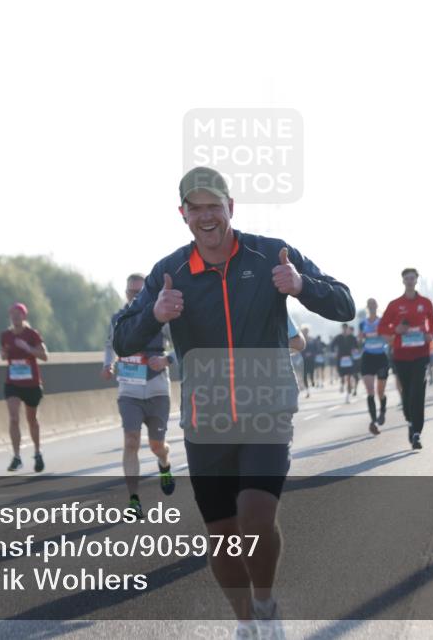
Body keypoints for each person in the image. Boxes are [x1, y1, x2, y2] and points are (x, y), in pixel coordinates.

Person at [112, 166, 354, 638]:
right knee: (223, 537)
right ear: (182, 214)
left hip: (267, 409)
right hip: (207, 421)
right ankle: (245, 623)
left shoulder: (269, 255)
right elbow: (122, 338)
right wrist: (153, 316)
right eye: (195, 208)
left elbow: (343, 303)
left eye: (214, 206)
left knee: (256, 517)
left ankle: (265, 606)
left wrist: (302, 286)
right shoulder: (170, 272)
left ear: (231, 208)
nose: (206, 216)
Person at [102, 273, 176, 519]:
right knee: (131, 441)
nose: (135, 296)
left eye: (139, 292)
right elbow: (110, 345)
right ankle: (134, 500)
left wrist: (167, 359)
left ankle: (164, 464)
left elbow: (181, 344)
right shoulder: (119, 319)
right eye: (131, 292)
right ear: (126, 294)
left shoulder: (162, 317)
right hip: (129, 390)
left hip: (156, 388)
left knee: (157, 446)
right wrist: (108, 364)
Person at [377, 268, 433, 450]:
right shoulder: (395, 304)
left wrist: (430, 334)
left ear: (417, 280)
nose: (410, 281)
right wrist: (395, 331)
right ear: (403, 281)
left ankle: (417, 432)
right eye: (407, 278)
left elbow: (431, 320)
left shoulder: (425, 303)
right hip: (401, 356)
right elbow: (382, 327)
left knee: (418, 391)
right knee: (407, 393)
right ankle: (410, 421)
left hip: (421, 354)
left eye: (413, 278)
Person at [0, 302, 48, 472]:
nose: (15, 317)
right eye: (12, 314)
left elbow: (44, 356)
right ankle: (16, 456)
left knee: (32, 420)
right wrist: (4, 354)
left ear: (24, 316)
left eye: (18, 314)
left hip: (31, 384)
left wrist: (27, 348)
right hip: (12, 382)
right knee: (13, 418)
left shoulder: (32, 334)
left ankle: (37, 452)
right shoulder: (5, 335)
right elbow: (3, 354)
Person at [358, 298, 390, 433]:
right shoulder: (362, 323)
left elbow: (389, 338)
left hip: (381, 357)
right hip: (367, 357)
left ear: (377, 306)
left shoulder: (382, 321)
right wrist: (362, 336)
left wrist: (380, 334)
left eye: (374, 304)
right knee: (370, 391)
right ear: (367, 307)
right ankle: (373, 422)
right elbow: (359, 339)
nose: (372, 307)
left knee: (380, 392)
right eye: (369, 305)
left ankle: (382, 410)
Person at [331, 323, 358, 403]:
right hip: (340, 358)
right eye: (343, 328)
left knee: (349, 378)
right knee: (342, 376)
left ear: (347, 329)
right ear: (342, 329)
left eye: (346, 328)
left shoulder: (352, 337)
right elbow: (332, 346)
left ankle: (348, 396)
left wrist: (355, 350)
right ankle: (342, 384)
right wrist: (334, 352)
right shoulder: (338, 337)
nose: (345, 330)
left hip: (349, 358)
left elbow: (356, 346)